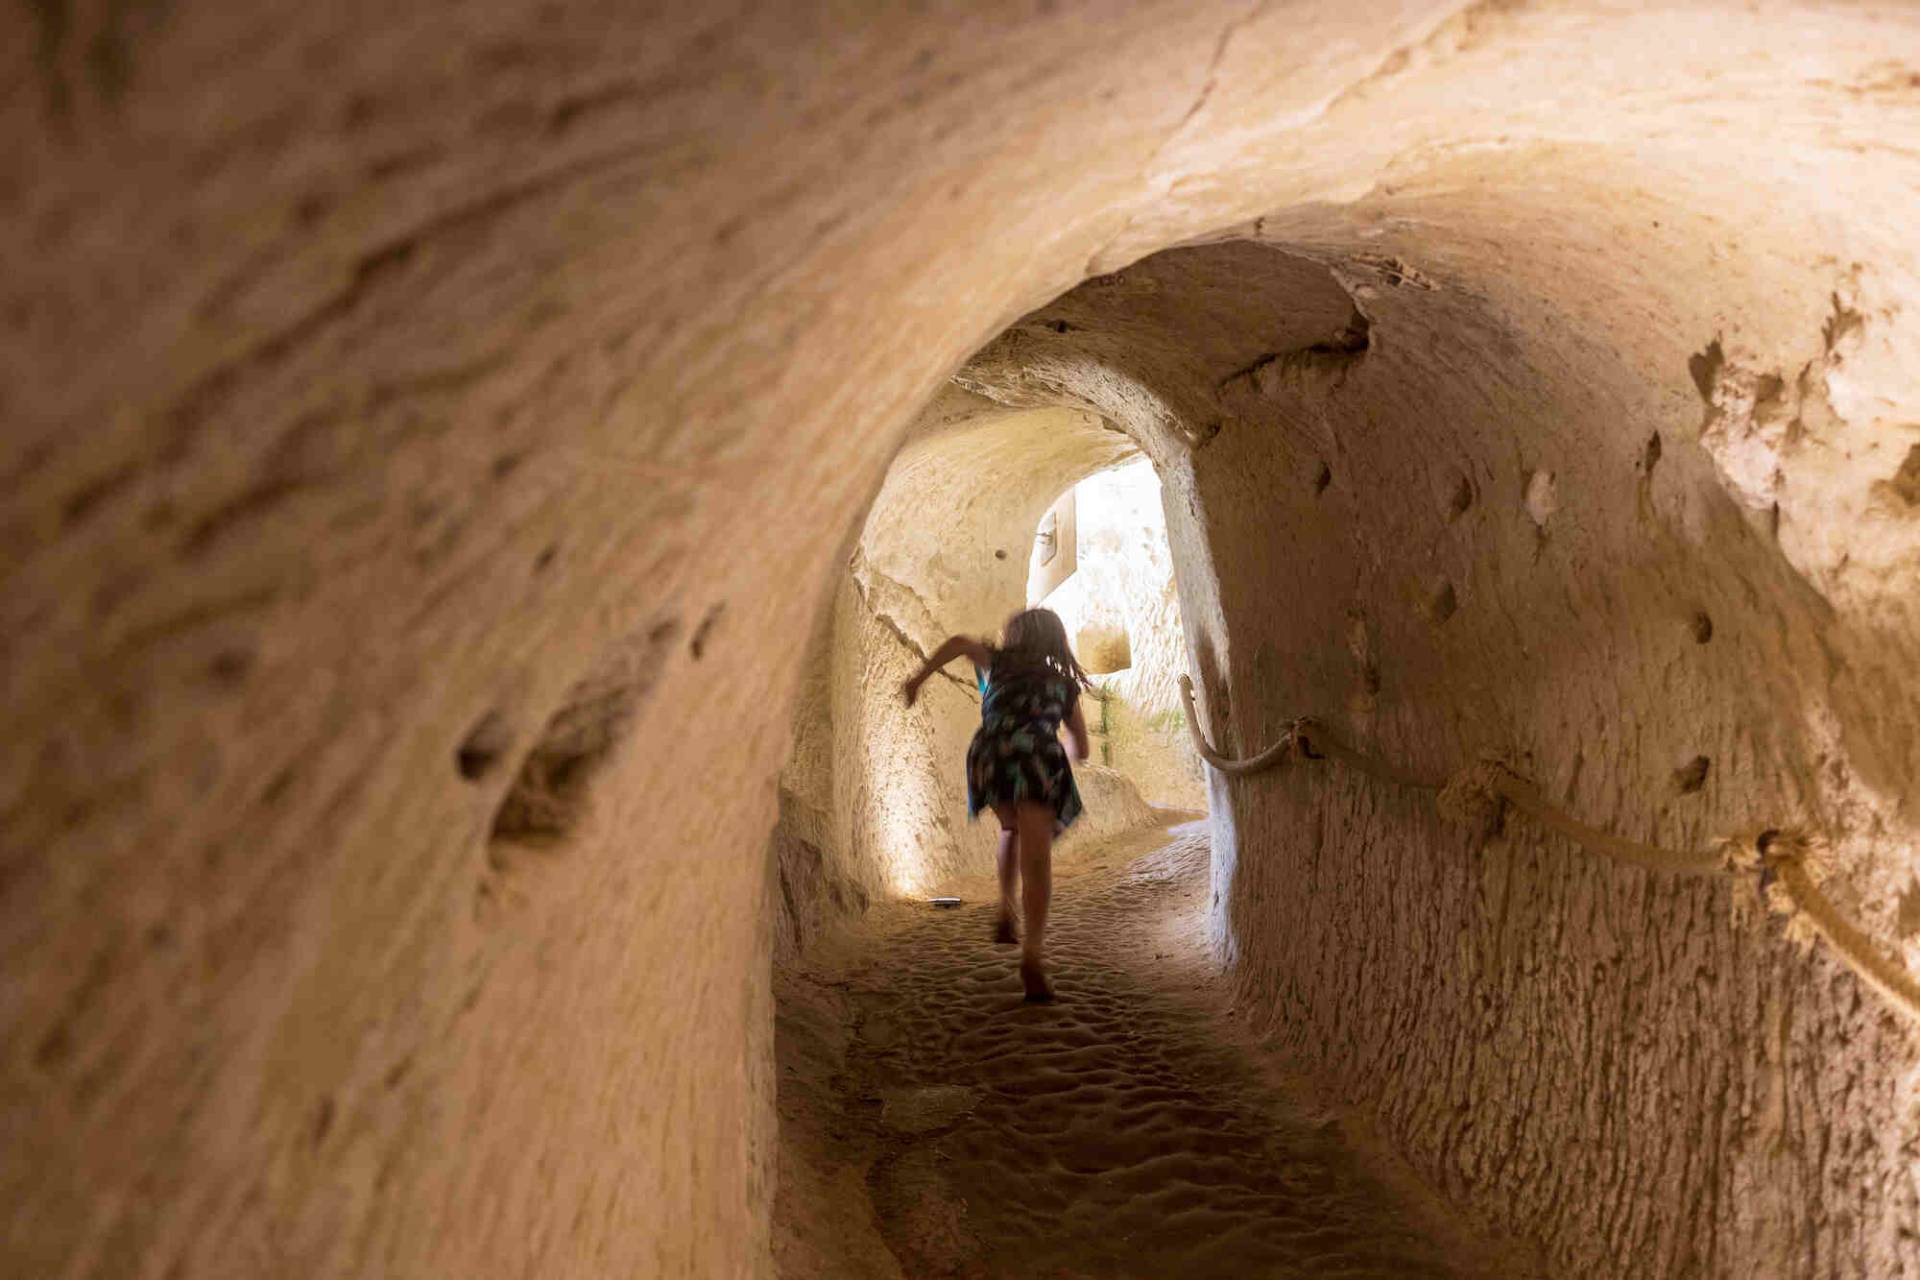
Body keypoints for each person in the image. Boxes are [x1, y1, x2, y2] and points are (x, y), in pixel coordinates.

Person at [901, 607, 1092, 1002]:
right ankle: (1033, 956)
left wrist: (918, 679)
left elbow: (957, 643)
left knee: (1011, 828)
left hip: (992, 756)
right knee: (1037, 861)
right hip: (1036, 758)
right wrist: (1061, 759)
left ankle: (1006, 911)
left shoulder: (998, 663)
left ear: (1017, 635)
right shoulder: (1063, 684)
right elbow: (1082, 746)